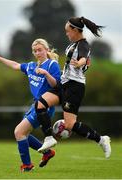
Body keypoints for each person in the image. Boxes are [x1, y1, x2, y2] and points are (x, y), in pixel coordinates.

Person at [35, 17, 111, 158]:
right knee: (40, 104)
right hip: (64, 83)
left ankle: (101, 140)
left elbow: (83, 57)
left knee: (70, 125)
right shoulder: (72, 45)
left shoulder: (83, 44)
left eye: (68, 31)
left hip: (74, 87)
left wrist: (80, 63)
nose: (66, 34)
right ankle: (49, 138)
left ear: (76, 30)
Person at [0, 38, 61, 172]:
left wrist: (46, 74)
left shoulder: (52, 65)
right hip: (35, 106)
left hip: (44, 107)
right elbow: (15, 65)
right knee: (23, 135)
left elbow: (56, 85)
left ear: (47, 50)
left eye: (40, 50)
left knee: (18, 132)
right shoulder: (31, 66)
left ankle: (27, 166)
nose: (37, 53)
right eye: (35, 51)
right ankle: (47, 153)